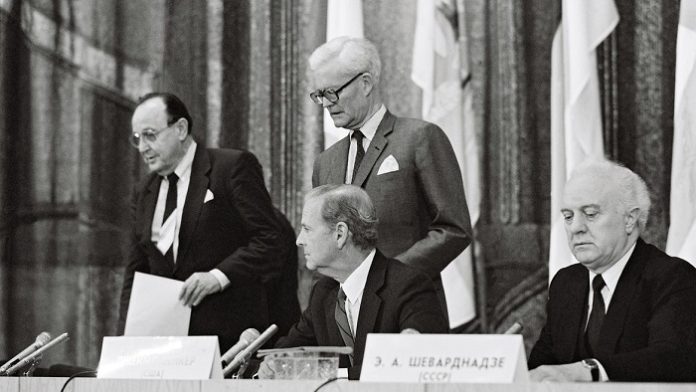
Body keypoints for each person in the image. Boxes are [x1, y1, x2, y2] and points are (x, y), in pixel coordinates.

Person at [117, 92, 295, 352]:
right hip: (170, 346)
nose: (142, 147)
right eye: (137, 138)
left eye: (150, 135)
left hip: (232, 340)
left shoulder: (231, 167)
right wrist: (123, 345)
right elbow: (136, 271)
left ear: (180, 128)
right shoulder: (144, 190)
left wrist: (218, 276)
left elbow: (271, 240)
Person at [308, 37, 472, 314]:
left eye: (333, 92)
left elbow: (453, 230)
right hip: (344, 317)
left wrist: (388, 279)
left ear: (366, 83)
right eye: (319, 95)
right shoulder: (326, 162)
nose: (326, 104)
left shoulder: (419, 138)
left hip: (410, 308)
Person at [528, 159, 696, 382]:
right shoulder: (566, 282)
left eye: (590, 214)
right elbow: (542, 367)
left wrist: (589, 370)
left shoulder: (671, 277)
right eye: (568, 216)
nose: (575, 228)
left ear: (629, 219)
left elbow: (671, 358)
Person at [259, 184, 448, 380]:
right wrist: (272, 364)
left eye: (307, 229)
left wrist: (329, 374)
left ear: (340, 234)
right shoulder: (323, 292)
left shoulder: (409, 286)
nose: (299, 240)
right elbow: (287, 353)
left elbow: (412, 364)